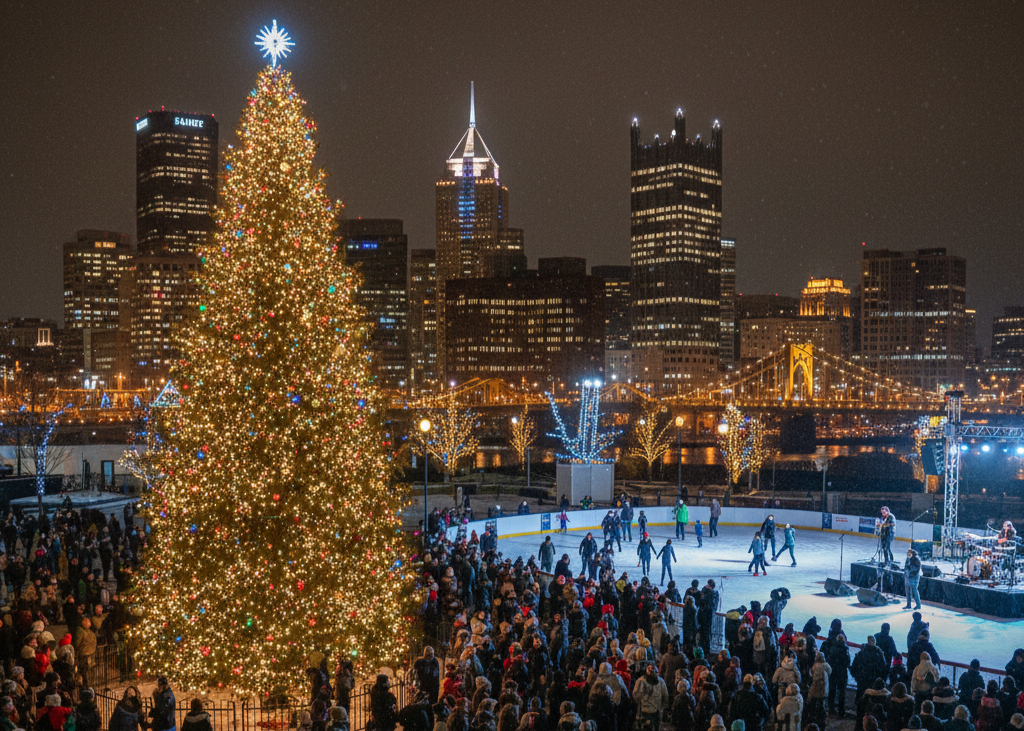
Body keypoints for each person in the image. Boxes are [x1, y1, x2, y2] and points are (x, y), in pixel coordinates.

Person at [633, 665, 670, 731]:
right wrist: (664, 707)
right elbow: (665, 695)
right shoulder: (660, 681)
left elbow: (635, 695)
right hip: (657, 710)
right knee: (656, 728)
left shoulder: (640, 680)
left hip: (644, 710)